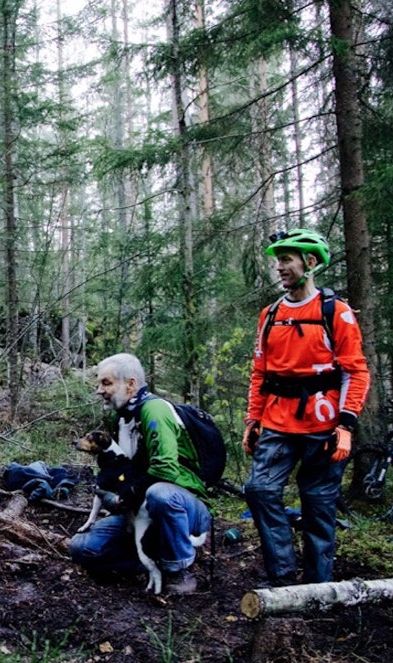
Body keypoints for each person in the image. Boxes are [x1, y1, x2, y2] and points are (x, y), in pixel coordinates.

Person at [244, 229, 370, 585]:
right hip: (277, 422)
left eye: (286, 260)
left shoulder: (336, 312)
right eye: (278, 260)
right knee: (259, 489)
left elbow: (355, 372)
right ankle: (283, 579)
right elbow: (260, 372)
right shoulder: (269, 315)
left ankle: (318, 587)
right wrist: (253, 419)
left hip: (324, 426)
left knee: (318, 505)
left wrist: (346, 424)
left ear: (310, 263)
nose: (279, 267)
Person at [69, 353, 212, 595]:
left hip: (185, 508)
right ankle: (150, 561)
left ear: (131, 384)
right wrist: (116, 494)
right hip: (143, 510)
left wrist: (130, 492)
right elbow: (124, 471)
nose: (98, 391)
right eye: (99, 384)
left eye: (106, 383)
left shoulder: (154, 410)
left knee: (160, 494)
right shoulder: (121, 419)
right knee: (82, 548)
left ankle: (179, 569)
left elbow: (165, 468)